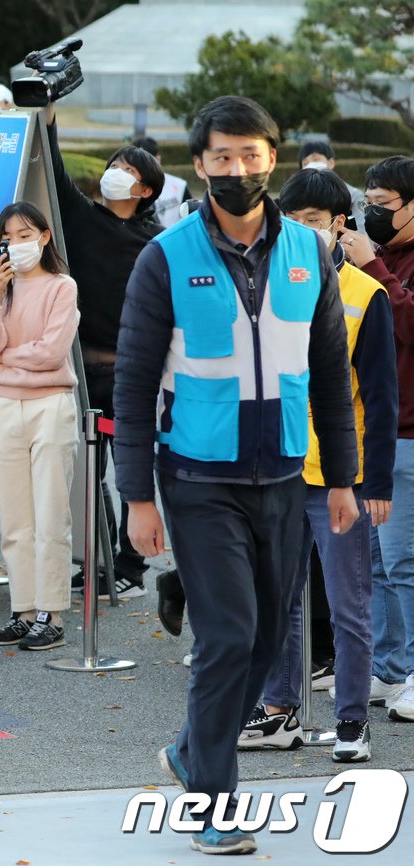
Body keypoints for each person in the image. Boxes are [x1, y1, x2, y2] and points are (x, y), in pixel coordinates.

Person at [114, 96, 358, 856]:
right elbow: (131, 382)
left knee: (264, 645)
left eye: (251, 156)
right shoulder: (166, 257)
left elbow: (327, 375)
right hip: (198, 479)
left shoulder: (309, 255)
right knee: (228, 638)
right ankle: (213, 804)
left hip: (286, 478)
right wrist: (136, 497)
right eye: (222, 157)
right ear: (200, 165)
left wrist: (343, 478)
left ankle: (193, 751)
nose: (238, 170)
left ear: (272, 160)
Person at [235, 168, 395, 761]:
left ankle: (352, 720)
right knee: (277, 599)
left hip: (338, 478)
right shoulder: (268, 285)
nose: (302, 231)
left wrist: (373, 480)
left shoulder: (364, 294)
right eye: (293, 220)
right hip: (276, 468)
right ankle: (280, 711)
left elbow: (381, 398)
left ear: (339, 226)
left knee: (350, 603)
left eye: (313, 222)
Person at [43, 98, 165, 600]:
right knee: (88, 471)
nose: (115, 173)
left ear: (146, 189)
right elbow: (52, 166)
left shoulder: (158, 241)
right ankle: (98, 562)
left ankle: (132, 569)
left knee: (129, 469)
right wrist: (48, 114)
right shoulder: (82, 216)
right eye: (114, 165)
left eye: (127, 170)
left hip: (133, 371)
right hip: (80, 366)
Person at [0, 202, 79, 651]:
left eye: (25, 234)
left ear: (44, 236)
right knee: (15, 517)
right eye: (9, 237)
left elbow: (51, 353)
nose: (16, 244)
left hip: (51, 403)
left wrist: (7, 359)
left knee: (50, 513)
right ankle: (22, 609)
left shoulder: (62, 286)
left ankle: (50, 614)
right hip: (1, 405)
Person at [339, 155, 414, 723]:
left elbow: (406, 323)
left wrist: (376, 272)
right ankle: (390, 669)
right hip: (375, 430)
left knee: (405, 559)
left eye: (384, 206)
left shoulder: (386, 266)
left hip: (409, 431)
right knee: (378, 563)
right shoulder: (380, 258)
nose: (374, 216)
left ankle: (410, 669)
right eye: (368, 204)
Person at [299, 140, 364, 232]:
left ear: (331, 163)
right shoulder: (299, 197)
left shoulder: (354, 196)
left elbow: (362, 231)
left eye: (316, 159)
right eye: (305, 163)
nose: (311, 165)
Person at [134, 136, 193, 228]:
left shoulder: (179, 186)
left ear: (158, 158)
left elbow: (191, 219)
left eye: (150, 159)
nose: (146, 165)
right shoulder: (129, 188)